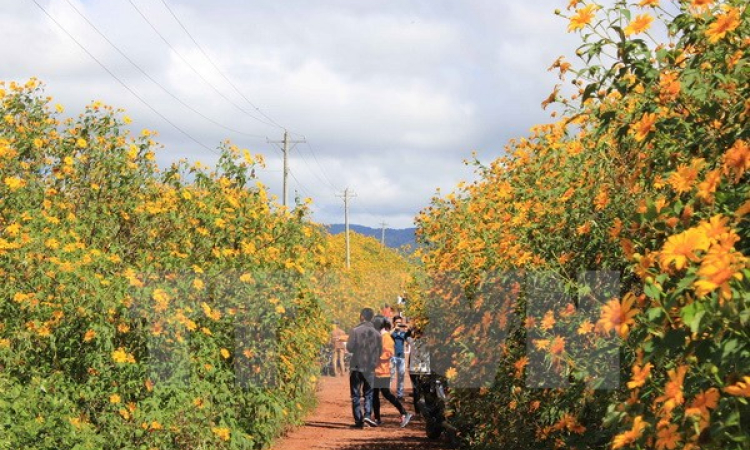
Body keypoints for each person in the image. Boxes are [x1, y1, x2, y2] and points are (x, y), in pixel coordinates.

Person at [372, 315, 412, 428]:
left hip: (383, 371)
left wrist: (375, 358)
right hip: (377, 371)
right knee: (375, 395)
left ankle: (404, 412)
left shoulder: (386, 338)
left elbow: (389, 353)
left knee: (386, 394)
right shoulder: (380, 336)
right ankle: (378, 418)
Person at [347, 307, 382, 428]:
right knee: (368, 393)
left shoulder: (355, 331)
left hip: (356, 367)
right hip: (370, 368)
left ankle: (358, 421)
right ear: (371, 317)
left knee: (356, 395)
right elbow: (380, 351)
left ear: (362, 316)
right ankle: (367, 414)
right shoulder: (377, 333)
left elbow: (349, 348)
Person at [407, 327, 430, 415]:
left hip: (414, 370)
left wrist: (411, 328)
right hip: (424, 370)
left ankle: (417, 411)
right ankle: (427, 410)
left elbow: (406, 335)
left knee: (416, 390)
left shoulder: (412, 341)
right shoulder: (428, 342)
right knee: (426, 390)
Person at [390, 315, 411, 400]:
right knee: (391, 376)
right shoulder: (392, 332)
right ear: (394, 323)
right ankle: (387, 393)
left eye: (400, 322)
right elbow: (388, 334)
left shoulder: (403, 334)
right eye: (397, 322)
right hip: (393, 357)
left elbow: (409, 335)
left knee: (401, 376)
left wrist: (406, 327)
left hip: (401, 357)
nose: (399, 324)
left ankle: (400, 395)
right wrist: (395, 328)